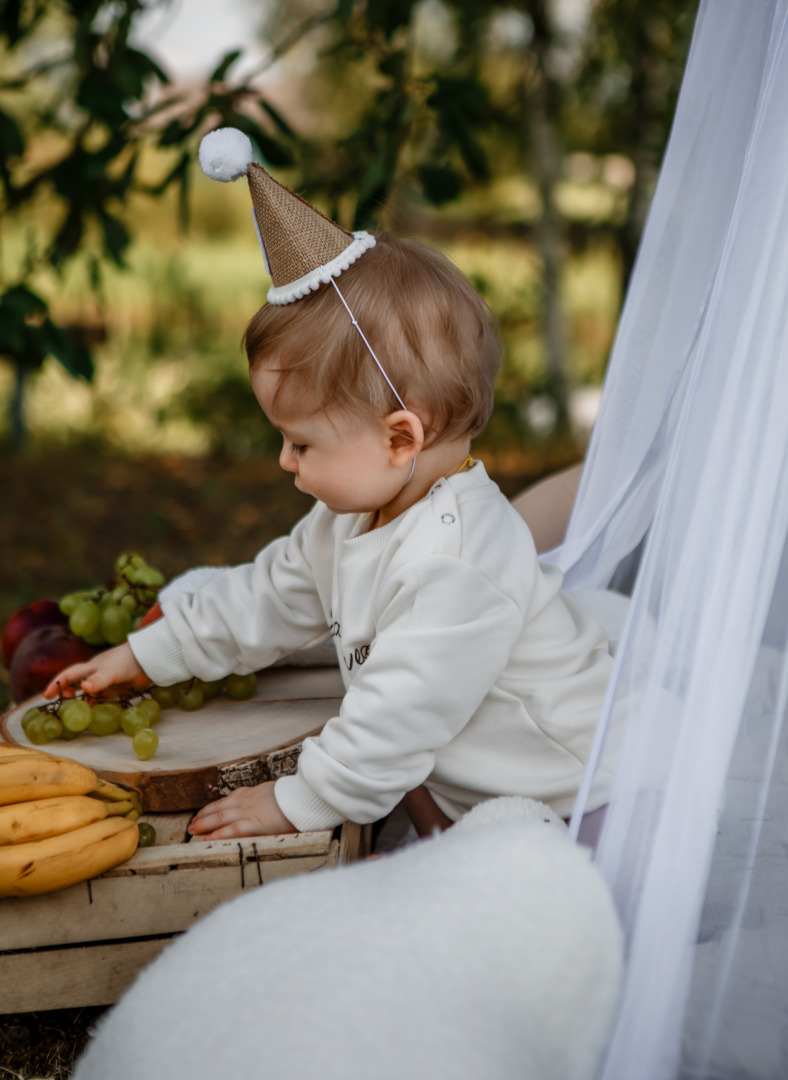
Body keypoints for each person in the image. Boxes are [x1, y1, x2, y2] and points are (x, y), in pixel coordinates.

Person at [45, 230, 618, 842]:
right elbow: (268, 595)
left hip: (576, 793)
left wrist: (299, 801)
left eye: (301, 443)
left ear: (400, 439)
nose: (285, 461)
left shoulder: (458, 561)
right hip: (471, 781)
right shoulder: (347, 518)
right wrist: (151, 653)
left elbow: (398, 712)